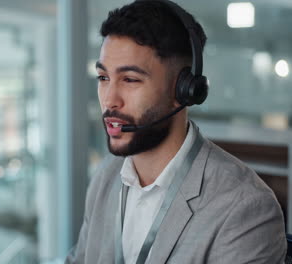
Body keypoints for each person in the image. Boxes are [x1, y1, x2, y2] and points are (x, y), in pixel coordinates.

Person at [65, 0, 287, 263]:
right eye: (103, 78)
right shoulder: (106, 177)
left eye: (130, 80)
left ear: (183, 90)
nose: (109, 100)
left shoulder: (244, 209)